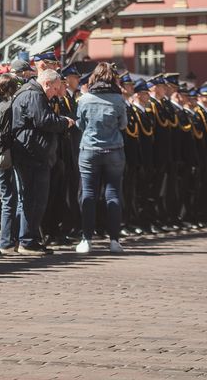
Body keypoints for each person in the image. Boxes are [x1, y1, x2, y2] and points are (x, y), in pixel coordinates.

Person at [11, 68, 73, 255]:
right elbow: (43, 120)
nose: (55, 93)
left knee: (34, 199)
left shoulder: (34, 93)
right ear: (47, 83)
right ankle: (27, 240)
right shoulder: (34, 95)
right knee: (34, 199)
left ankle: (30, 238)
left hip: (34, 153)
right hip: (32, 154)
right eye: (54, 89)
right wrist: (64, 122)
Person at [74, 64, 128, 254]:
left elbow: (80, 124)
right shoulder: (118, 99)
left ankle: (86, 239)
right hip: (114, 149)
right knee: (113, 194)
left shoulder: (84, 99)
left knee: (88, 194)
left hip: (89, 149)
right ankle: (114, 240)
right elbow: (123, 125)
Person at [0, 73, 23, 254]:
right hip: (3, 155)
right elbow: (6, 132)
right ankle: (6, 241)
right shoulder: (8, 106)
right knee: (9, 197)